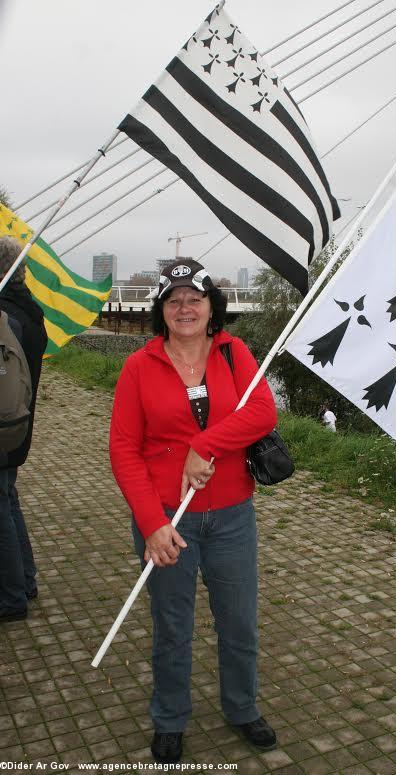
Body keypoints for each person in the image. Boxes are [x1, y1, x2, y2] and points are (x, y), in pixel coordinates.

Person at [109, 258, 278, 764]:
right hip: (167, 520)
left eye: (194, 298)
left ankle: (242, 707)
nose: (184, 307)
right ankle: (169, 719)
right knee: (172, 626)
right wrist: (152, 523)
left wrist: (203, 444)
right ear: (162, 311)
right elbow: (123, 448)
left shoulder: (234, 352)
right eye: (173, 300)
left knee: (239, 623)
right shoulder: (140, 366)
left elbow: (262, 410)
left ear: (211, 308)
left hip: (231, 515)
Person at [0, 237, 47, 623]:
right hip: (19, 425)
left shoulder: (3, 314)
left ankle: (12, 596)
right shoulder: (29, 308)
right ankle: (26, 582)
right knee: (8, 500)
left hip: (2, 428)